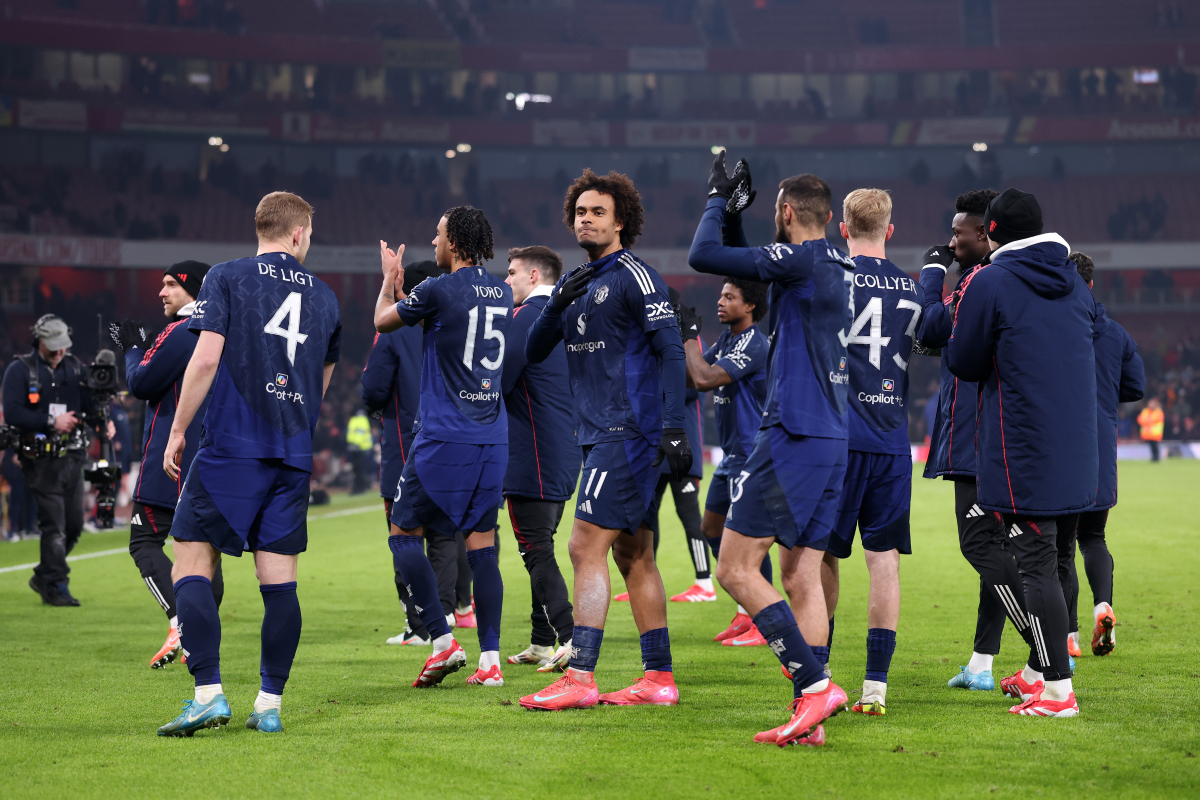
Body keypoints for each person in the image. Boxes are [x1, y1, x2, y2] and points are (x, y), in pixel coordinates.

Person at [156, 191, 342, 736]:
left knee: (190, 562)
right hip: (292, 452)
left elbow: (207, 356)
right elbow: (321, 382)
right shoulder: (328, 297)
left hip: (232, 447)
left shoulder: (226, 276)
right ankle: (269, 704)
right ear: (298, 234)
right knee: (279, 583)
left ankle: (209, 693)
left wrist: (178, 428)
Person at [687, 152, 853, 746]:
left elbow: (702, 256)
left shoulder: (801, 259)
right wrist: (735, 216)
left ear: (785, 213)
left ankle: (814, 687)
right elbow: (750, 266)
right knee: (800, 574)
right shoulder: (834, 259)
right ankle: (809, 720)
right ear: (829, 216)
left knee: (734, 568)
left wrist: (715, 199)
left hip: (793, 435)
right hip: (833, 435)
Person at [520, 168, 688, 711]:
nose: (586, 219)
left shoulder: (636, 276)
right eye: (580, 212)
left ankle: (582, 675)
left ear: (621, 221)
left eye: (597, 212)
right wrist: (559, 298)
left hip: (628, 431)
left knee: (582, 545)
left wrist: (673, 427)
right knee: (634, 556)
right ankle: (658, 679)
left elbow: (669, 352)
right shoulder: (581, 282)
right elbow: (535, 349)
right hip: (598, 432)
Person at [946, 188, 1095, 718]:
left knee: (1035, 564)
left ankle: (1058, 692)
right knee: (1053, 560)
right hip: (1077, 447)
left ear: (992, 231)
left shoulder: (991, 281)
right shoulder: (1076, 282)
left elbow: (963, 361)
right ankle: (1038, 675)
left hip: (1021, 447)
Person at [374, 206, 511, 689]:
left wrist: (389, 280)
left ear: (454, 241)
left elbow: (383, 321)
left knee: (403, 533)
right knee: (482, 547)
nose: (432, 243)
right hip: (492, 436)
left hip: (442, 435)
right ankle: (490, 661)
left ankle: (440, 640)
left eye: (436, 235)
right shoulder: (502, 290)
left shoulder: (436, 288)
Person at [917, 189, 1042, 693]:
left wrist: (930, 273)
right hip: (994, 431)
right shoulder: (1008, 280)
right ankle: (982, 663)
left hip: (976, 436)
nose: (950, 241)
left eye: (957, 233)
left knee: (980, 546)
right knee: (1000, 548)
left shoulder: (977, 283)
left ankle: (1045, 647)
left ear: (985, 234)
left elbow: (928, 330)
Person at [822, 188, 920, 716]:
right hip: (890, 442)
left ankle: (822, 674)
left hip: (836, 440)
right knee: (883, 562)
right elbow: (932, 340)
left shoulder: (831, 277)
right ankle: (875, 687)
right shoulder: (911, 287)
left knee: (822, 556)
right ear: (890, 229)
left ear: (842, 228)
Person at [110, 260, 225, 668]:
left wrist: (132, 348)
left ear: (192, 290)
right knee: (206, 552)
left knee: (143, 539)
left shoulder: (182, 331)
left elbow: (141, 383)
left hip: (172, 462)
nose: (161, 292)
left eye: (170, 285)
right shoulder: (222, 332)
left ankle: (181, 621)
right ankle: (203, 638)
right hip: (215, 461)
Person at [362, 260, 473, 647]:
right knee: (444, 538)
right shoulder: (460, 321)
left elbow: (373, 389)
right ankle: (445, 614)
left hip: (404, 448)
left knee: (403, 535)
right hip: (454, 448)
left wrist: (377, 408)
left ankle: (420, 625)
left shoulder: (396, 330)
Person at [1057, 252, 1144, 658]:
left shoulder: (1053, 327)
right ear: (1091, 285)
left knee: (1061, 545)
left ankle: (1069, 635)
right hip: (1101, 449)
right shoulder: (1117, 334)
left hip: (1060, 451)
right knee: (1094, 536)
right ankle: (1103, 606)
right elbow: (1136, 387)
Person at [679, 278, 773, 645]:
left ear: (749, 306)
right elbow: (692, 373)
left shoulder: (753, 343)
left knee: (747, 544)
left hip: (752, 455)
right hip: (732, 456)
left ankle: (763, 621)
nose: (720, 301)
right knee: (710, 529)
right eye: (720, 295)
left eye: (729, 296)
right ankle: (745, 611)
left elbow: (703, 379)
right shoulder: (731, 340)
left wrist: (689, 336)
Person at [501, 245, 580, 671]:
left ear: (534, 276)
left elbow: (502, 378)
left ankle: (569, 637)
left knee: (535, 549)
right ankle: (540, 640)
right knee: (542, 543)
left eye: (511, 272)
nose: (506, 280)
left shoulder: (528, 317)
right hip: (565, 449)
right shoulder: (571, 316)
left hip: (531, 451)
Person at [2, 315, 113, 606]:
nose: (59, 351)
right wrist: (52, 421)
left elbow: (90, 405)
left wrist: (103, 421)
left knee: (74, 524)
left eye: (63, 346)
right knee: (54, 523)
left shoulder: (77, 368)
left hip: (73, 457)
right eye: (53, 346)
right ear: (38, 340)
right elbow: (12, 412)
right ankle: (55, 584)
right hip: (38, 459)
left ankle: (43, 575)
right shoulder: (19, 370)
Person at [345, 408, 374, 495]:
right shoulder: (357, 420)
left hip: (361, 448)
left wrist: (355, 443)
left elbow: (360, 433)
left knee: (359, 469)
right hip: (356, 448)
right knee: (358, 469)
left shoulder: (360, 420)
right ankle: (360, 487)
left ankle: (361, 487)